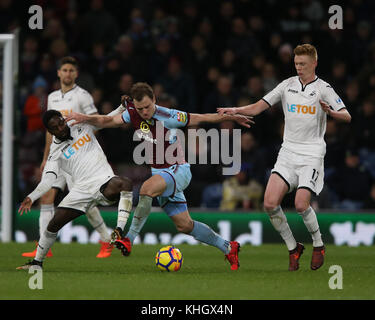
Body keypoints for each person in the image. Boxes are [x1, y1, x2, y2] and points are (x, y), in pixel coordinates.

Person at [66, 82, 253, 270]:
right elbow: (107, 121)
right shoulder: (132, 112)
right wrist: (82, 117)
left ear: (154, 99)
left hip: (178, 170)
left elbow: (199, 118)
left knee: (146, 189)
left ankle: (129, 239)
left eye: (148, 106)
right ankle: (228, 247)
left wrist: (230, 118)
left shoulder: (167, 115)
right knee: (185, 226)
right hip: (160, 174)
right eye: (140, 108)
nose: (144, 111)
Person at [218, 44, 351, 271]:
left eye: (303, 64)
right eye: (296, 64)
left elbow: (347, 116)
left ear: (314, 64)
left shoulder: (323, 88)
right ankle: (293, 247)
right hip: (288, 152)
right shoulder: (287, 85)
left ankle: (318, 244)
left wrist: (330, 112)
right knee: (270, 203)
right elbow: (259, 106)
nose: (299, 68)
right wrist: (235, 110)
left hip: (312, 154)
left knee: (301, 204)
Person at [22, 56, 114, 259]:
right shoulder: (53, 97)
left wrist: (78, 147)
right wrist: (46, 157)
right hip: (57, 158)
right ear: (58, 73)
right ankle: (43, 247)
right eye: (64, 70)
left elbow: (96, 123)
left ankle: (106, 240)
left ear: (76, 73)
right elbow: (50, 131)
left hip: (75, 159)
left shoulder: (83, 96)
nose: (67, 73)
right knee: (47, 197)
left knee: (86, 203)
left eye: (71, 70)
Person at [17, 110, 133, 270]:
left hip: (103, 181)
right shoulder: (55, 153)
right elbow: (48, 180)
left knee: (125, 183)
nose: (61, 128)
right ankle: (37, 263)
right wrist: (32, 196)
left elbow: (106, 119)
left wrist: (122, 107)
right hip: (80, 192)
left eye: (61, 123)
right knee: (53, 225)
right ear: (50, 132)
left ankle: (118, 231)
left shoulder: (81, 124)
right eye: (55, 128)